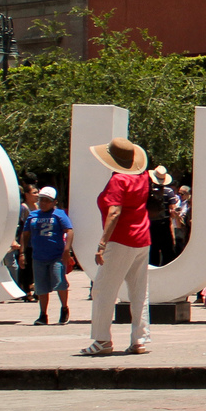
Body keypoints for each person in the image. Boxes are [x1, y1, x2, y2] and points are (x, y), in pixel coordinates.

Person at [88, 137, 153, 356]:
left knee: (103, 290)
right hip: (142, 238)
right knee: (139, 291)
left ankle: (102, 339)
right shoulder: (143, 176)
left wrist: (102, 243)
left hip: (121, 239)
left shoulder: (118, 180)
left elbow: (114, 212)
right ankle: (140, 340)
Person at [23, 187, 74, 325]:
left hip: (56, 255)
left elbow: (69, 231)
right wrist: (22, 252)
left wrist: (66, 250)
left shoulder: (59, 214)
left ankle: (64, 309)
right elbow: (26, 234)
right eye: (41, 200)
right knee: (41, 287)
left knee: (60, 282)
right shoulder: (33, 215)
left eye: (47, 201)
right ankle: (43, 314)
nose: (43, 203)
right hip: (38, 256)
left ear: (53, 202)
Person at [146, 166, 176, 267]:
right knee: (167, 254)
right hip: (164, 226)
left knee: (152, 254)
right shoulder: (169, 192)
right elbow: (173, 212)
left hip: (150, 226)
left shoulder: (148, 192)